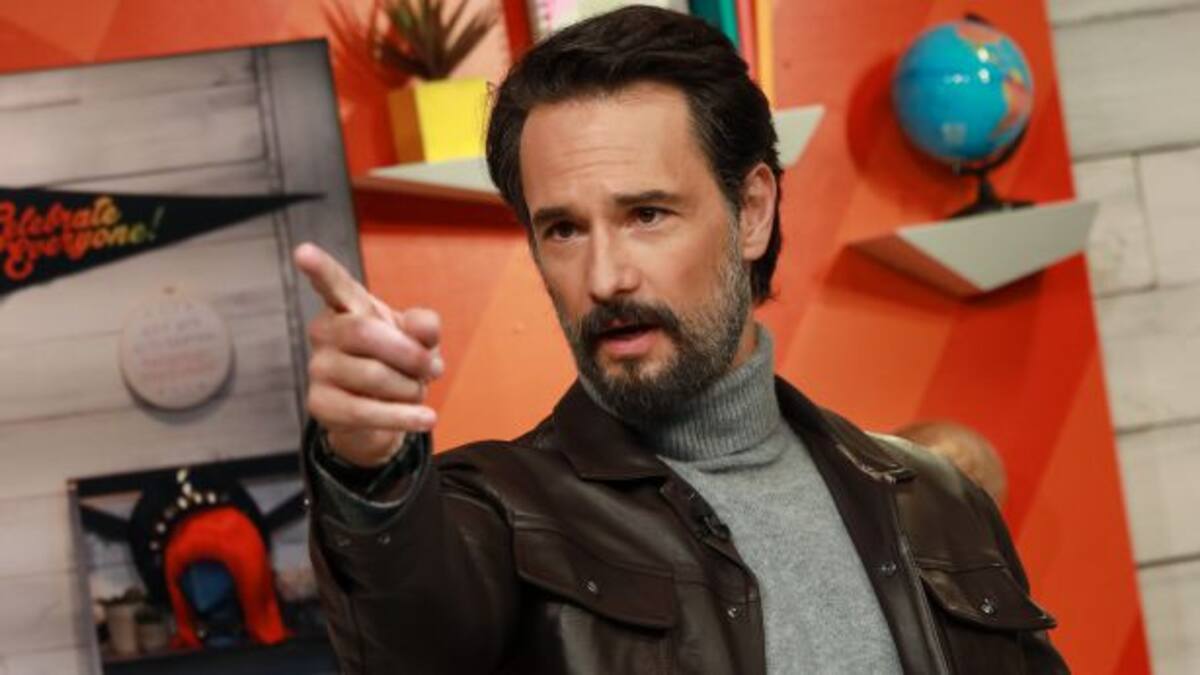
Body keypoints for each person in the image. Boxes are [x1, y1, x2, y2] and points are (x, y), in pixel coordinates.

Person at [293, 6, 1068, 674]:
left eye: (647, 214)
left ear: (752, 211)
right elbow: (411, 629)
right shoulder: (498, 513)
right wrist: (369, 467)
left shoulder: (938, 499)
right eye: (563, 229)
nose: (606, 277)